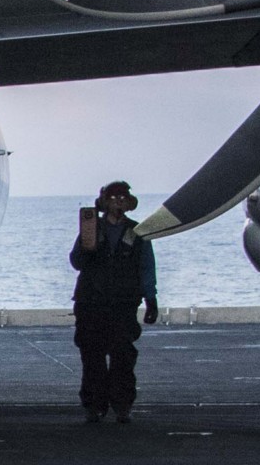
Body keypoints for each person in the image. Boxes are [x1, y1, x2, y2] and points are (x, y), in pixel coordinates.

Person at [69, 180, 158, 424]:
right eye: (113, 197)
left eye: (122, 198)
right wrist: (88, 248)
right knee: (92, 356)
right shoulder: (91, 227)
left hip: (123, 303)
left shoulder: (137, 232)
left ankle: (122, 405)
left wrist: (151, 299)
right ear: (105, 202)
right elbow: (76, 261)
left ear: (128, 203)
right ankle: (94, 406)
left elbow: (146, 266)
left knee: (123, 355)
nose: (118, 202)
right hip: (91, 302)